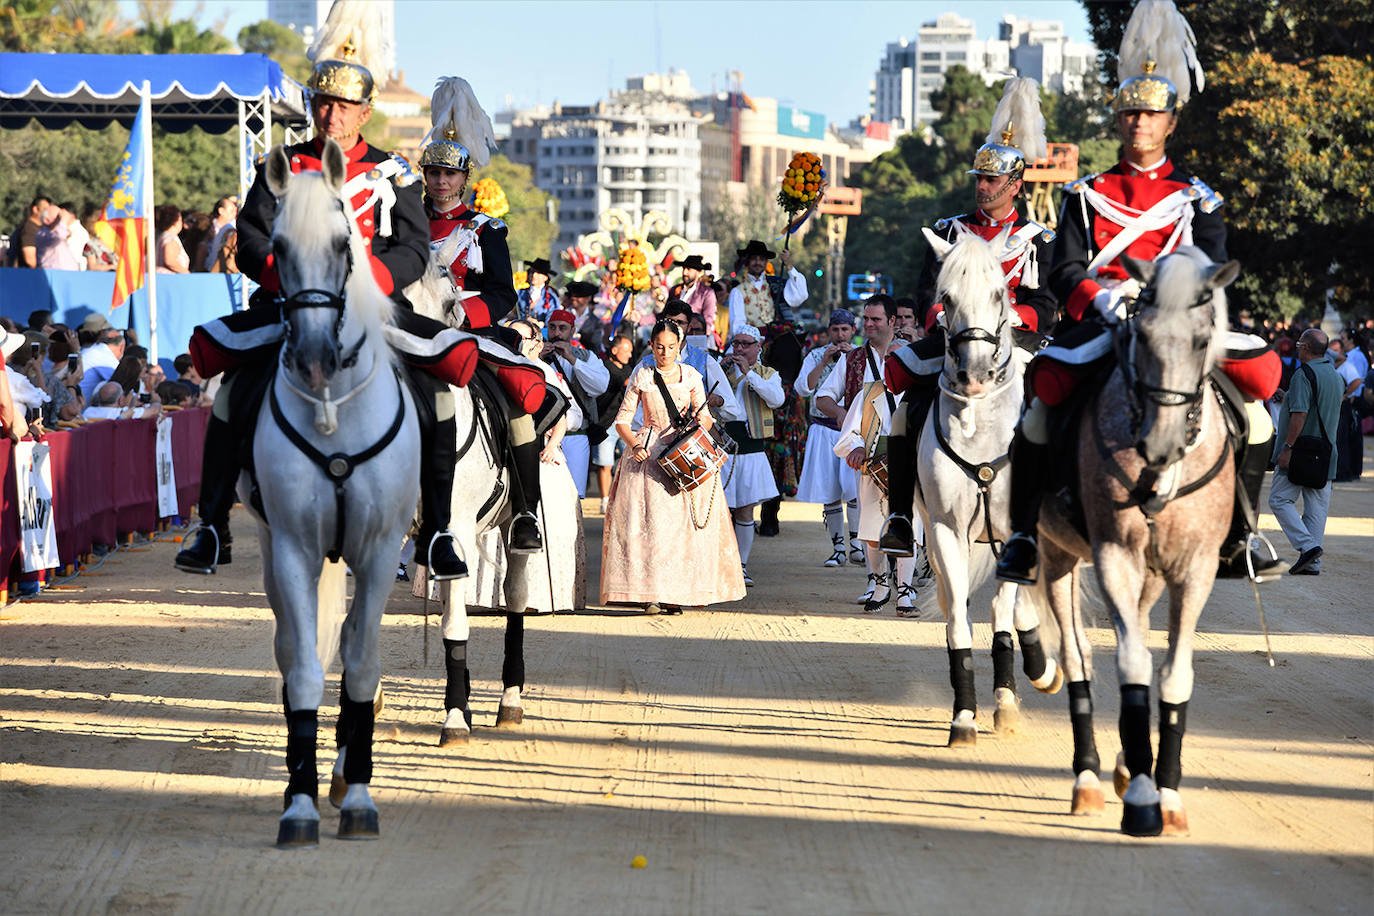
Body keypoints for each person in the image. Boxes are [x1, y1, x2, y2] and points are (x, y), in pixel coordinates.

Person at [179, 3, 478, 577]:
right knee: (232, 390)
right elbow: (251, 237)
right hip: (292, 303)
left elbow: (415, 249)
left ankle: (436, 532)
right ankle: (211, 524)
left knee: (437, 389)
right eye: (322, 103)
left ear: (364, 112)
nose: (331, 114)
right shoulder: (283, 166)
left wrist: (367, 282)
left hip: (375, 308)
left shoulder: (396, 173)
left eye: (343, 106)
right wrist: (290, 277)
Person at [993, 3, 1280, 585]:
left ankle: (1242, 535)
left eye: (1151, 114)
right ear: (1118, 121)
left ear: (1171, 122)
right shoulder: (1083, 194)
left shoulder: (1198, 199)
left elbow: (1215, 269)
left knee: (1258, 406)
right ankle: (1025, 531)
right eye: (1129, 113)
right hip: (1105, 320)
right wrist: (1100, 299)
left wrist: (1175, 301)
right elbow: (1065, 272)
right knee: (1041, 397)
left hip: (1178, 321)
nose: (1139, 122)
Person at [879, 77, 1057, 558]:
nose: (981, 187)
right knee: (902, 403)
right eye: (978, 179)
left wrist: (1014, 313)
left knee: (1058, 403)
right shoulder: (948, 231)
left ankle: (1055, 502)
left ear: (1015, 185)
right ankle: (899, 513)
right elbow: (924, 293)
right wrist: (940, 313)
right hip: (954, 336)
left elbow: (1048, 303)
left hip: (1017, 342)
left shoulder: (1037, 239)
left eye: (991, 180)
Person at [417, 76, 549, 552]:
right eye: (433, 173)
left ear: (463, 179)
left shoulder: (486, 229)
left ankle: (526, 512)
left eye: (448, 175)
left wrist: (460, 310)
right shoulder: (406, 223)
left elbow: (502, 294)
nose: (440, 181)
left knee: (514, 396)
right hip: (414, 330)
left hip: (469, 332)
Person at [600, 319, 745, 612]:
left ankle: (675, 592)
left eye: (670, 347)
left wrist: (698, 424)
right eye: (659, 346)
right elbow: (623, 421)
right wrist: (635, 445)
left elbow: (704, 417)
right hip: (649, 455)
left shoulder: (691, 375)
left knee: (682, 529)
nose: (665, 352)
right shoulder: (642, 374)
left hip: (684, 454)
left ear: (679, 346)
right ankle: (649, 592)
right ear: (651, 346)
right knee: (649, 527)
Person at [817, 296, 927, 614]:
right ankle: (878, 584)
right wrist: (854, 446)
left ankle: (905, 591)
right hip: (872, 464)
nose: (868, 325)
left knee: (909, 523)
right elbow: (850, 422)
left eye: (875, 319)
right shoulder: (866, 383)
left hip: (909, 461)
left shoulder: (919, 381)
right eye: (865, 319)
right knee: (871, 527)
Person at [1269, 329, 1343, 575]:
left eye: (1300, 344)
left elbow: (1300, 415)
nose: (1298, 348)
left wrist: (1287, 448)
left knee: (1279, 499)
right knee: (1317, 508)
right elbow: (1317, 404)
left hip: (1300, 451)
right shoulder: (1334, 375)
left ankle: (1308, 546)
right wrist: (1288, 397)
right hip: (1326, 454)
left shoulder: (1303, 375)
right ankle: (1313, 562)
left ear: (1306, 348)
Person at [718, 324, 785, 586]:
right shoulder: (720, 369)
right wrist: (723, 370)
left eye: (747, 344)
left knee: (745, 510)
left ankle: (741, 565)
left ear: (759, 347)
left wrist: (749, 375)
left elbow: (776, 400)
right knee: (719, 510)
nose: (741, 349)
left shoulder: (767, 374)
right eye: (737, 343)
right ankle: (720, 563)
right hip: (722, 445)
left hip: (751, 447)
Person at [795, 308, 862, 566]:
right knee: (830, 491)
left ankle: (856, 544)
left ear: (852, 331)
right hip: (822, 429)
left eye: (845, 329)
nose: (840, 334)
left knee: (854, 490)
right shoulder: (814, 355)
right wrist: (824, 361)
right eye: (835, 330)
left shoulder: (860, 355)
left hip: (853, 430)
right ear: (829, 331)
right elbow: (803, 389)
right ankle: (838, 547)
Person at [543, 308, 611, 498]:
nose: (557, 333)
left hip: (576, 435)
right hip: (543, 437)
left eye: (562, 328)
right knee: (545, 494)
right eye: (553, 327)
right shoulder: (537, 354)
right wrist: (538, 358)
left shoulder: (586, 357)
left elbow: (599, 386)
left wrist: (572, 359)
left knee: (573, 496)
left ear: (572, 331)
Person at [724, 240, 806, 339]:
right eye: (754, 259)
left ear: (766, 262)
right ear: (747, 262)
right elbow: (736, 326)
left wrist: (788, 265)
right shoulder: (737, 292)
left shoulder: (776, 284)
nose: (758, 262)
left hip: (776, 340)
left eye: (761, 259)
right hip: (750, 344)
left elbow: (800, 295)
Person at [591, 335, 636, 513]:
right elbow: (625, 383)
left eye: (631, 351)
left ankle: (625, 498)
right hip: (606, 423)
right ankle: (604, 500)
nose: (629, 355)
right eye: (626, 351)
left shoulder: (628, 368)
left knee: (630, 462)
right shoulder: (605, 367)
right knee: (605, 464)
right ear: (615, 350)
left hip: (625, 423)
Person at [670, 254, 715, 327]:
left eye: (688, 269)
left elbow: (708, 320)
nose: (684, 272)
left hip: (694, 334)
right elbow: (664, 315)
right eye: (684, 268)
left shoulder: (707, 293)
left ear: (699, 272)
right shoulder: (674, 290)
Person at [563, 280, 605, 354]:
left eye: (578, 296)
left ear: (587, 298)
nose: (574, 298)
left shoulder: (595, 322)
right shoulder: (563, 314)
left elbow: (596, 347)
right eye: (573, 295)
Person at [200, 196, 239, 271]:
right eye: (232, 211)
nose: (235, 214)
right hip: (214, 271)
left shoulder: (226, 228)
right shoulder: (206, 227)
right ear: (221, 211)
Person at [13, 196, 50, 268]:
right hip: (29, 275)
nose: (47, 214)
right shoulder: (29, 229)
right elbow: (30, 260)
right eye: (45, 210)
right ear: (35, 209)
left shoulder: (41, 228)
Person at [154, 205, 190, 274]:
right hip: (169, 278)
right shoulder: (170, 238)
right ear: (176, 221)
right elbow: (170, 261)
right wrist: (187, 274)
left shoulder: (162, 236)